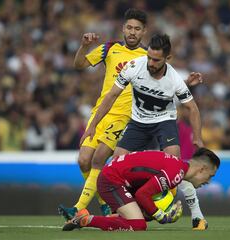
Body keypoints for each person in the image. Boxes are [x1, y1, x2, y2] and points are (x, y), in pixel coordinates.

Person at [58, 8, 202, 223]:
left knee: (102, 160)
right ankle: (108, 204)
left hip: (127, 116)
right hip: (107, 111)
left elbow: (165, 85)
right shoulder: (110, 49)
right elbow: (79, 65)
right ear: (122, 28)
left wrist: (184, 86)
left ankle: (80, 208)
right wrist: (84, 46)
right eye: (129, 27)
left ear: (144, 31)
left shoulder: (148, 56)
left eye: (137, 28)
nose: (132, 32)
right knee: (84, 160)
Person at [83, 34, 208, 230]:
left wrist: (198, 138)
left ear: (168, 59)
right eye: (149, 57)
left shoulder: (174, 79)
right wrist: (92, 125)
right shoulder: (134, 66)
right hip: (138, 122)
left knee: (176, 165)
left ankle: (197, 215)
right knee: (116, 166)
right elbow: (111, 96)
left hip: (164, 122)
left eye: (156, 59)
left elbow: (193, 108)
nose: (150, 62)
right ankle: (127, 211)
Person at [62, 148, 220, 231]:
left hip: (116, 177)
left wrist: (156, 212)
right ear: (202, 169)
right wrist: (162, 216)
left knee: (145, 215)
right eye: (210, 175)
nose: (208, 181)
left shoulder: (177, 167)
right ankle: (86, 220)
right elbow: (143, 194)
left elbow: (144, 191)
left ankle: (88, 217)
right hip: (111, 179)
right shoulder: (176, 173)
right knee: (138, 225)